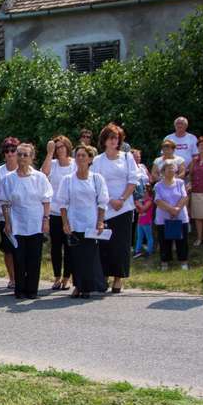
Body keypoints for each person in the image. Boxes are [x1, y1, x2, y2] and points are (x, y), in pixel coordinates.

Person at [0, 143, 52, 300]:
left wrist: (46, 220)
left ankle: (32, 290)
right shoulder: (9, 179)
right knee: (19, 257)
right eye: (19, 154)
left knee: (34, 258)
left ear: (32, 157)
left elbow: (46, 200)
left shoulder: (40, 177)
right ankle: (20, 289)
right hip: (17, 222)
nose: (22, 158)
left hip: (36, 222)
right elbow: (4, 202)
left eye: (25, 155)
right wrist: (7, 222)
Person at [90, 124, 140, 293]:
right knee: (104, 244)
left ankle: (118, 278)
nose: (114, 141)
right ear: (104, 140)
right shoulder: (98, 160)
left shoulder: (127, 157)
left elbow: (133, 180)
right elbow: (95, 183)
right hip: (104, 207)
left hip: (124, 207)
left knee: (121, 245)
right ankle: (103, 276)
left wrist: (122, 199)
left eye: (116, 138)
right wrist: (110, 200)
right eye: (110, 138)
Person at [55, 145, 109, 298]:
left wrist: (100, 222)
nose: (80, 158)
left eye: (83, 155)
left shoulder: (97, 179)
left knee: (89, 257)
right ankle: (78, 285)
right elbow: (62, 204)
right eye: (78, 155)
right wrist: (65, 223)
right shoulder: (68, 179)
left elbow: (102, 202)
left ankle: (87, 287)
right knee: (76, 257)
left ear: (90, 159)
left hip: (91, 224)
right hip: (74, 223)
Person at [42, 135, 75, 290]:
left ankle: (67, 277)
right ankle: (56, 277)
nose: (60, 150)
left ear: (67, 147)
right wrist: (49, 153)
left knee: (69, 247)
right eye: (57, 148)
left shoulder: (74, 164)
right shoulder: (53, 164)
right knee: (55, 246)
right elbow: (44, 174)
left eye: (62, 146)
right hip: (55, 212)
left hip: (70, 213)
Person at [153, 160, 190, 270]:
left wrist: (177, 209)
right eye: (168, 168)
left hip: (180, 217)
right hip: (163, 218)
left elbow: (184, 197)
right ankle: (164, 263)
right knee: (164, 241)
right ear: (163, 171)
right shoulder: (158, 185)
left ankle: (183, 262)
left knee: (182, 241)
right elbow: (158, 200)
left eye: (173, 168)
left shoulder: (180, 183)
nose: (171, 170)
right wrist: (171, 210)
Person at [0, 137, 20, 289]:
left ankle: (23, 276)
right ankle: (12, 278)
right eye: (6, 151)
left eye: (13, 150)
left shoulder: (24, 169)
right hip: (2, 214)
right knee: (8, 247)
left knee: (21, 247)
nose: (10, 153)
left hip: (22, 214)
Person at [133, 188, 155, 258]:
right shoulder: (143, 201)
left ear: (149, 193)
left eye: (145, 192)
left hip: (147, 221)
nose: (144, 193)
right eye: (144, 192)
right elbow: (139, 211)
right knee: (139, 237)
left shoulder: (150, 200)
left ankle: (149, 251)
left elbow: (144, 208)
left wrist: (138, 204)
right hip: (140, 221)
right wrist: (137, 205)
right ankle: (137, 251)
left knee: (149, 237)